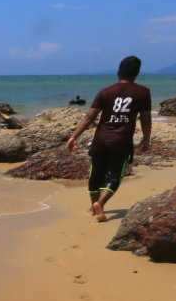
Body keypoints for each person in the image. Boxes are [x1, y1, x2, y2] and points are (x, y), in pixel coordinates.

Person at [65, 55, 151, 222]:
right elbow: (146, 118)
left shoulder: (105, 91)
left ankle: (94, 208)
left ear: (118, 72)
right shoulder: (143, 92)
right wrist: (146, 139)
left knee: (95, 174)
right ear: (137, 73)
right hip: (121, 141)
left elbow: (89, 118)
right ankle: (100, 203)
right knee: (114, 176)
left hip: (100, 140)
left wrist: (73, 136)